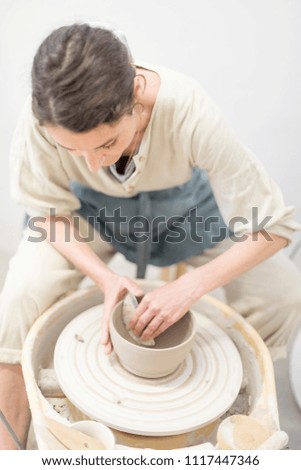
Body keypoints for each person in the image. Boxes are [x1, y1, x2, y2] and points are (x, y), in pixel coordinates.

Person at [0, 23, 300, 450]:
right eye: (72, 151)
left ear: (136, 101)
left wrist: (190, 288)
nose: (91, 163)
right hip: (92, 216)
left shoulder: (188, 109)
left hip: (188, 215)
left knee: (284, 292)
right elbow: (47, 212)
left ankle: (225, 407)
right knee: (20, 294)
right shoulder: (45, 118)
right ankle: (8, 445)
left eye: (105, 144)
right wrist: (104, 279)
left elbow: (275, 226)